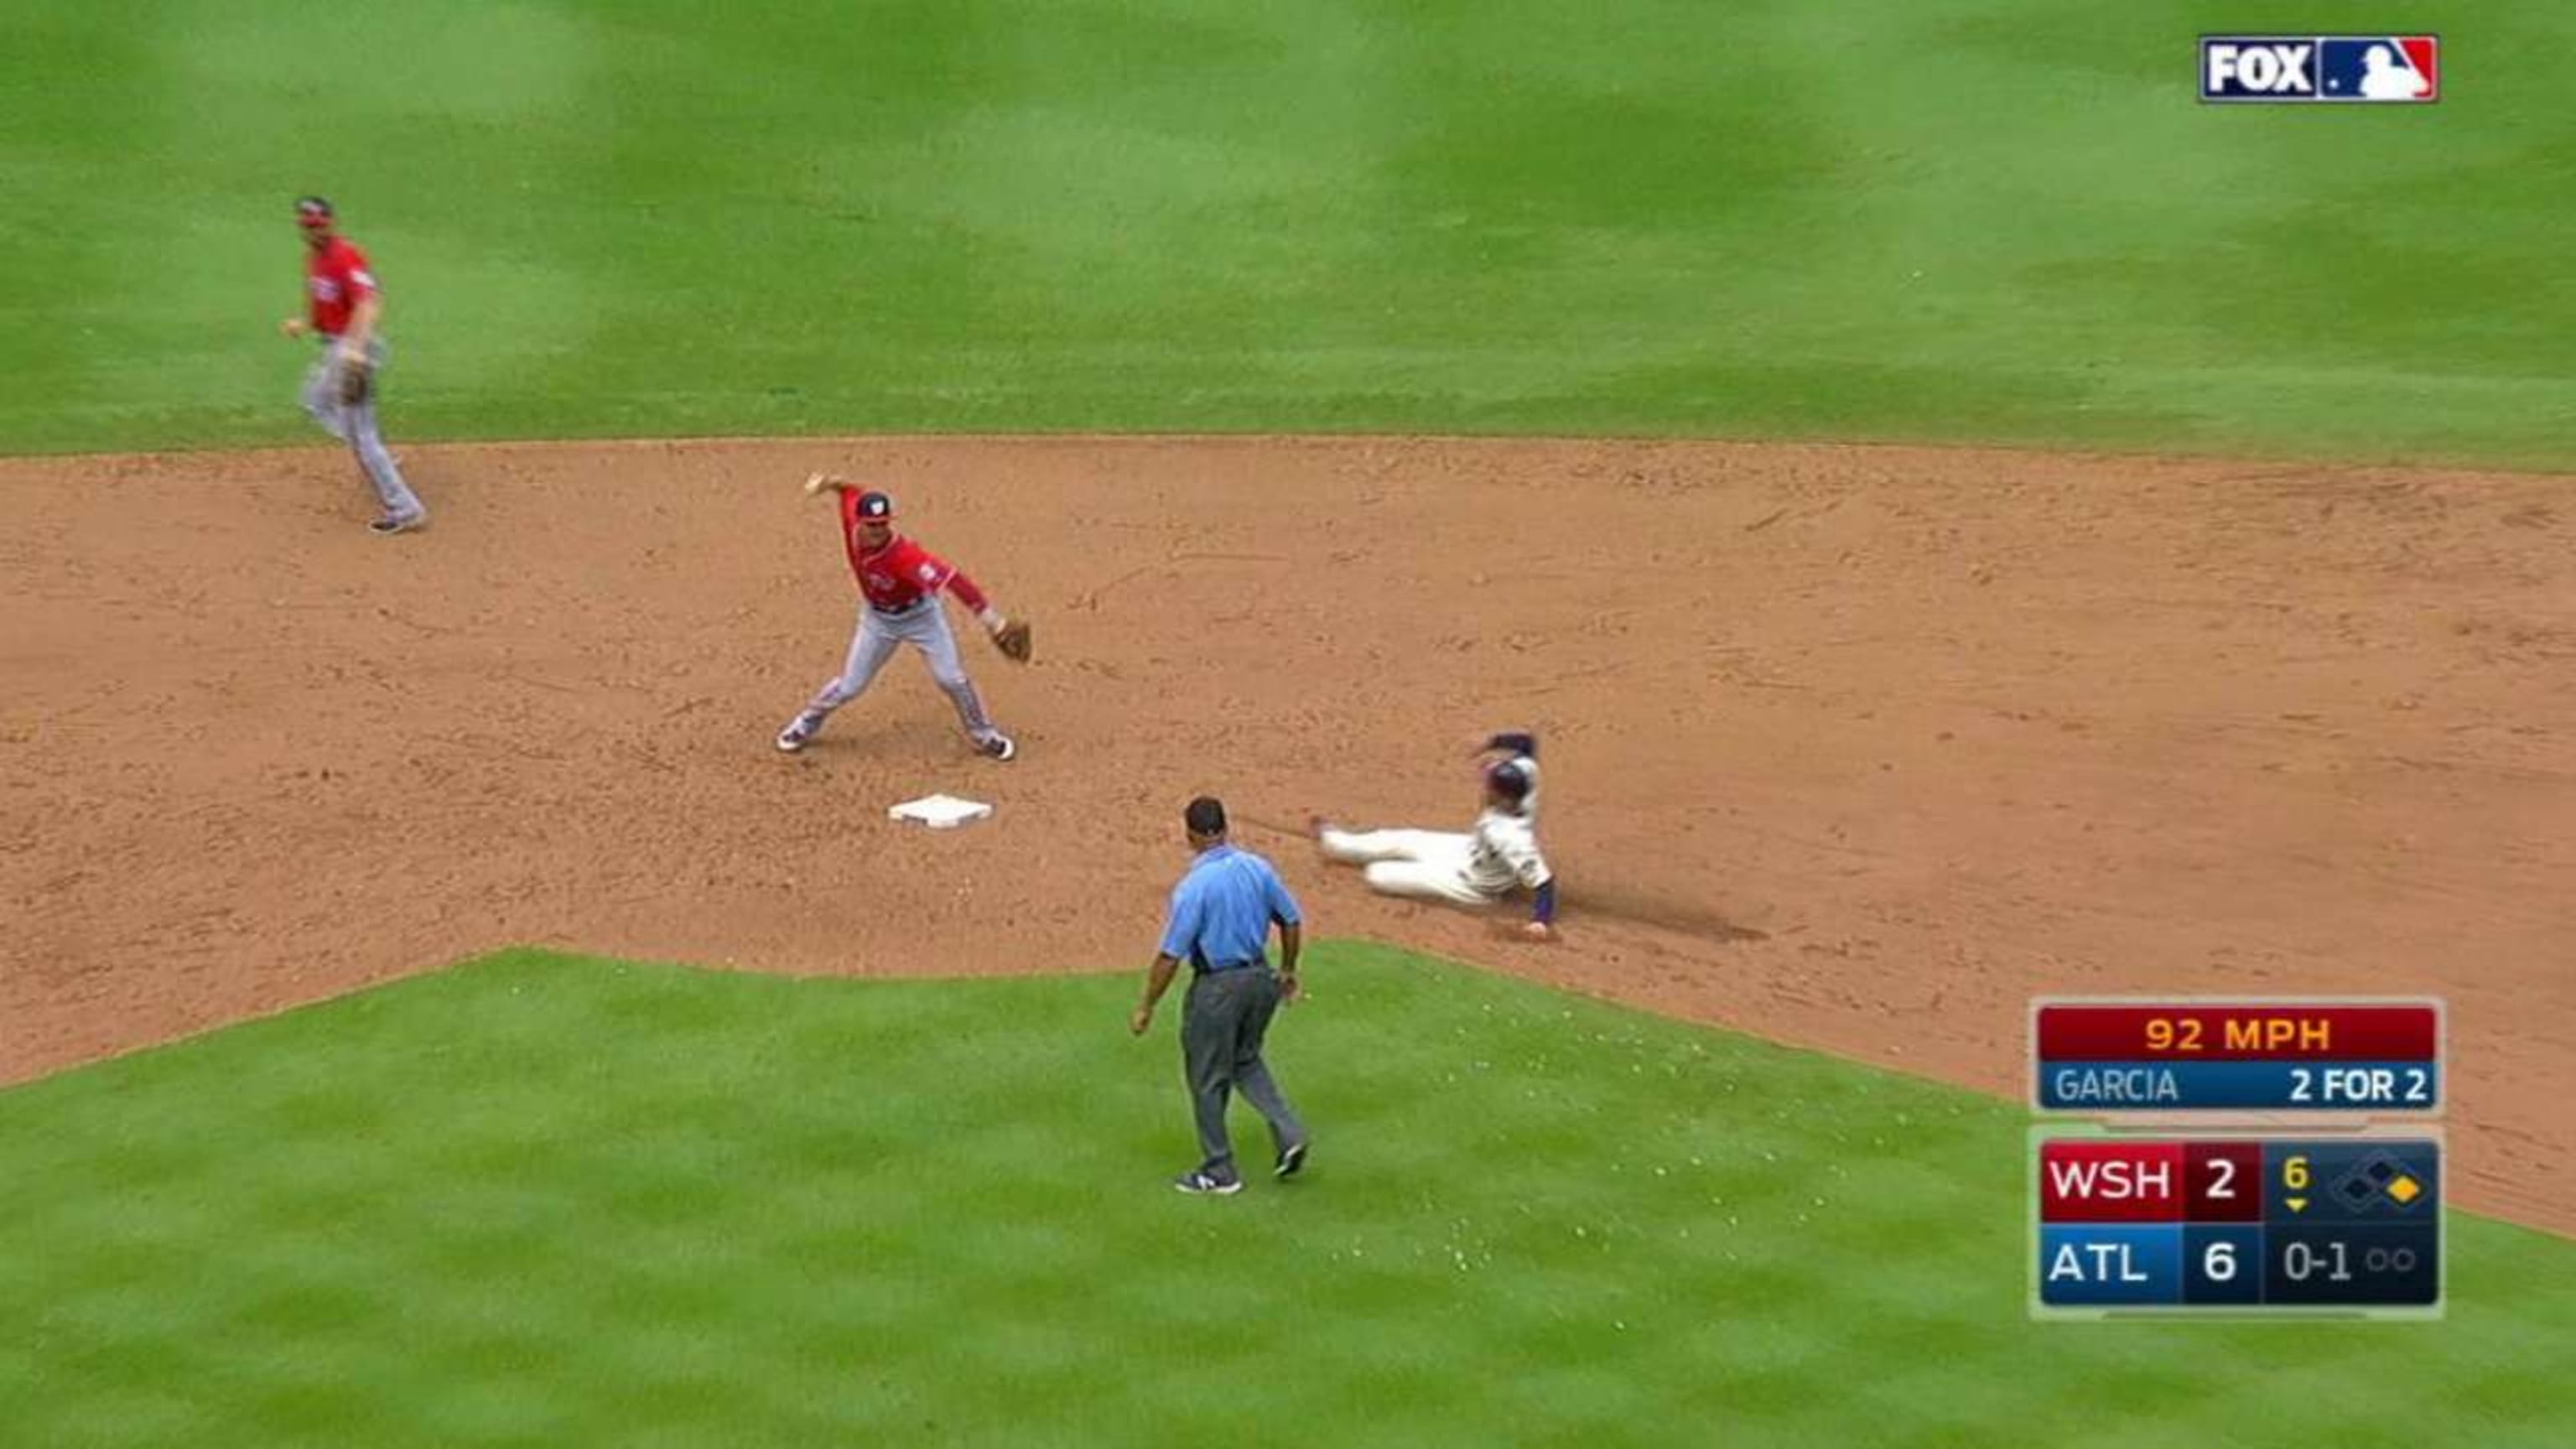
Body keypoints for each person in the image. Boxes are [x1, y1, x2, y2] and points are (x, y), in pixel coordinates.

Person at [1130, 796, 1311, 1195]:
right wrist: (1288, 970)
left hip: (1217, 989)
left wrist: (1147, 1005)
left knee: (1207, 1077)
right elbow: (1292, 920)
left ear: (1190, 835)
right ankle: (1290, 1132)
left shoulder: (1194, 888)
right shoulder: (1258, 868)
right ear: (1225, 828)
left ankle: (1219, 1170)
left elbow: (1170, 956)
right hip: (1261, 978)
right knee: (1245, 1059)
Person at [776, 475, 1023, 761]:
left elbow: (953, 581)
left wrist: (993, 620)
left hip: (921, 618)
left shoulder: (906, 557)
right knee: (850, 686)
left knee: (951, 680)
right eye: (872, 525)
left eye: (883, 524)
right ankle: (804, 724)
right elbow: (850, 491)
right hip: (878, 621)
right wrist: (828, 483)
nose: (878, 530)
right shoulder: (851, 516)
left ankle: (985, 735)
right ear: (859, 521)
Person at [1313, 730, 1558, 941]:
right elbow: (1528, 743)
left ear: (1504, 796)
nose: (1485, 786)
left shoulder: (1511, 837)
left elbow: (1543, 882)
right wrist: (1492, 741)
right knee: (1403, 839)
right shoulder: (1528, 779)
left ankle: (1459, 895)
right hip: (1468, 850)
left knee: (1377, 875)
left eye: (1490, 785)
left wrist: (1540, 921)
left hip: (1471, 885)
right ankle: (1336, 843)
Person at [278, 196, 426, 535]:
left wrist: (355, 351)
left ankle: (405, 508)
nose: (314, 230)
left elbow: (368, 301)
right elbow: (323, 310)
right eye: (307, 225)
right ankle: (385, 465)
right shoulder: (314, 260)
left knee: (363, 438)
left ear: (331, 222)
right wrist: (303, 324)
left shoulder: (345, 256)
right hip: (336, 348)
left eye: (318, 224)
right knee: (316, 403)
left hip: (352, 349)